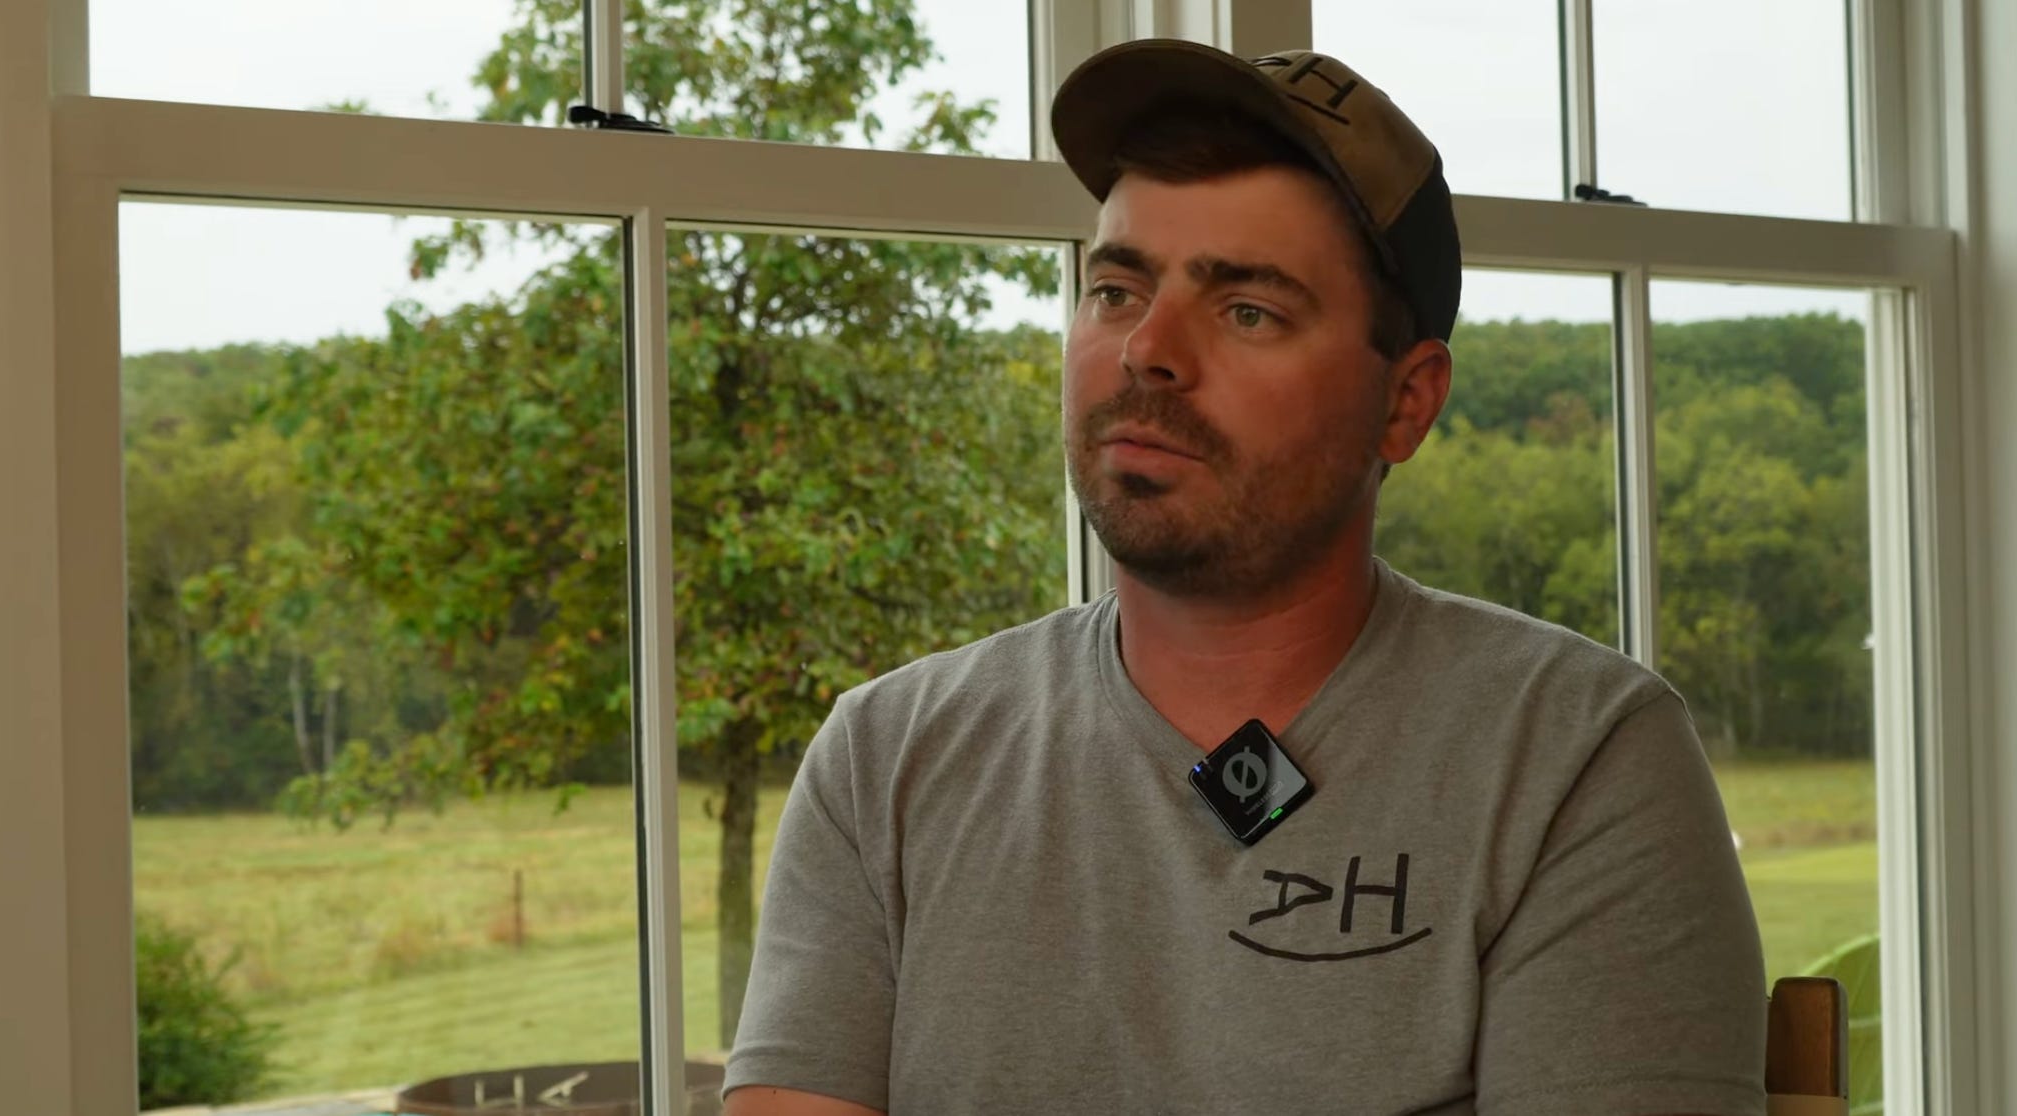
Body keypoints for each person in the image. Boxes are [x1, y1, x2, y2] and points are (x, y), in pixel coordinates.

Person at [722, 38, 1765, 1116]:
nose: (1147, 352)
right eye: (1117, 289)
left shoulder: (1576, 760)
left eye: (1247, 310)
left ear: (1406, 404)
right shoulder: (886, 761)